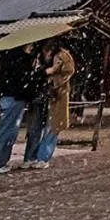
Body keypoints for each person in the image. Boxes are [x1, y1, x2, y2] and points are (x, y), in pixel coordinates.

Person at [0, 44, 41, 175]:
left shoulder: (10, 57)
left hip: (10, 96)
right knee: (7, 132)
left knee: (6, 131)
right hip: (15, 97)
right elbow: (23, 80)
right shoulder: (20, 59)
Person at [31, 39, 75, 167]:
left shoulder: (62, 55)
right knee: (37, 126)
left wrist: (53, 79)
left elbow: (68, 71)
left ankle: (43, 157)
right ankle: (33, 156)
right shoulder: (38, 54)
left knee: (52, 127)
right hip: (42, 94)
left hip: (56, 94)